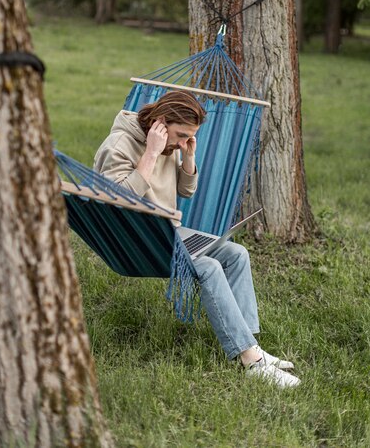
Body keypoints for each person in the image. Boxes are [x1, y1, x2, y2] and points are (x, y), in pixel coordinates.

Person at [94, 91, 300, 388]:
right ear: (160, 123)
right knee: (208, 267)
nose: (181, 142)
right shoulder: (121, 145)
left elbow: (186, 191)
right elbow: (115, 200)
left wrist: (188, 156)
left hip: (167, 234)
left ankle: (251, 346)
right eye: (180, 135)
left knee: (237, 253)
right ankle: (251, 361)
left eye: (188, 137)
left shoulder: (170, 144)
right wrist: (150, 153)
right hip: (134, 241)